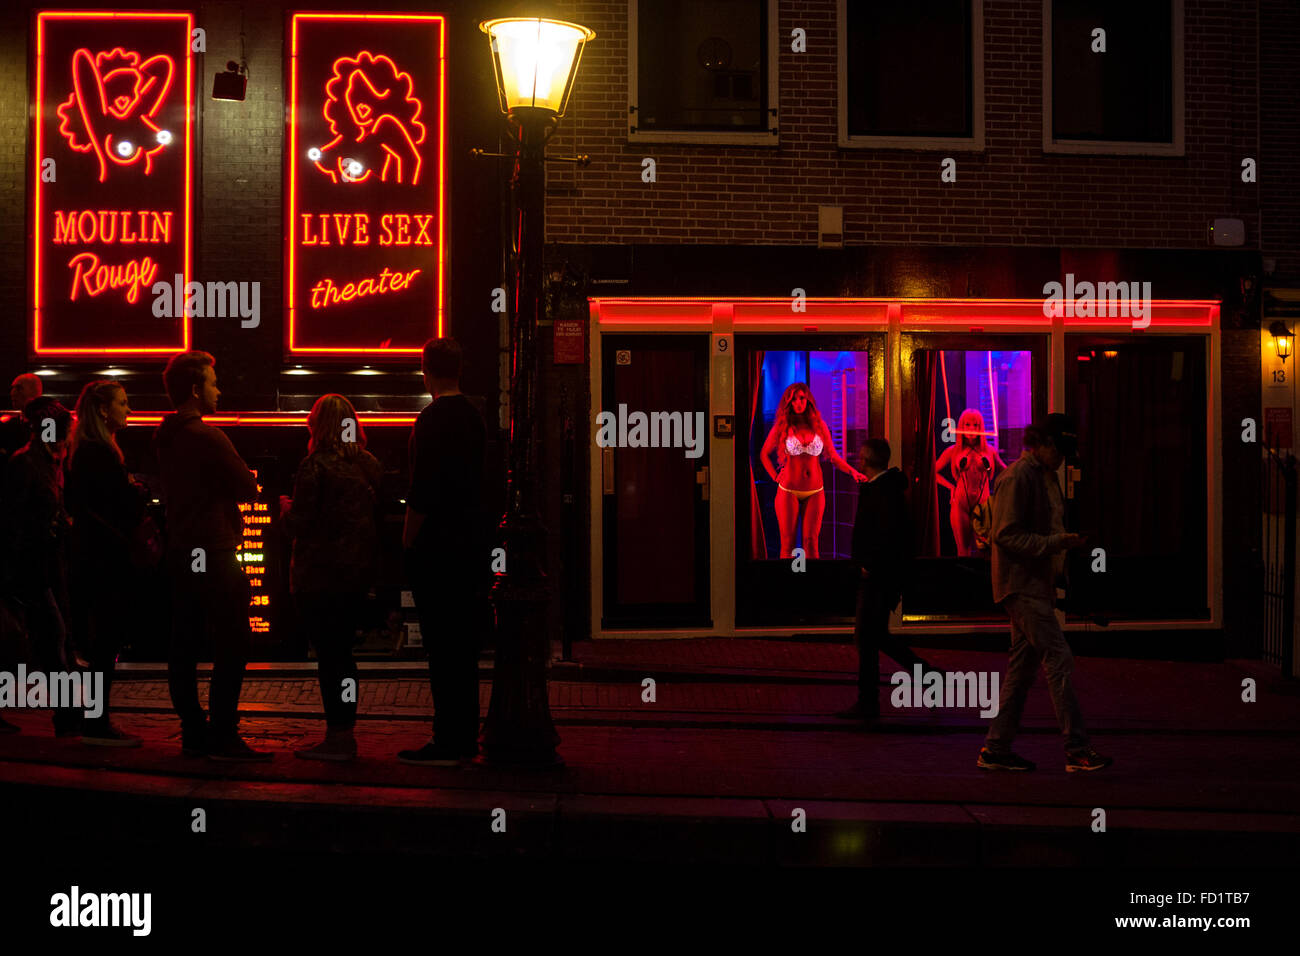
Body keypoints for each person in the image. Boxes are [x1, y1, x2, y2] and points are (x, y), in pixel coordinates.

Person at [977, 413, 1112, 773]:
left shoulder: (1045, 476)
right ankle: (1077, 748)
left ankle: (996, 748)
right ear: (1045, 444)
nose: (1063, 458)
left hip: (1032, 585)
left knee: (1021, 671)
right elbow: (1004, 534)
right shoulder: (1018, 477)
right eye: (1060, 450)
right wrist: (1058, 544)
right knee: (1059, 658)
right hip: (1021, 586)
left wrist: (1059, 570)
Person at [153, 351, 270, 762]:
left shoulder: (164, 435)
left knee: (183, 640)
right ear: (195, 389)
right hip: (216, 548)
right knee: (234, 640)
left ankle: (193, 728)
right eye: (213, 382)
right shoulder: (208, 436)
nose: (219, 390)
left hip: (182, 548)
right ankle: (223, 731)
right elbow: (247, 489)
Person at [397, 338, 489, 766]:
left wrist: (407, 541)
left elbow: (423, 493)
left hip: (437, 550)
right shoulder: (475, 418)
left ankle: (447, 737)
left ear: (426, 371)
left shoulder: (430, 421)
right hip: (470, 546)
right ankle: (465, 733)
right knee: (463, 647)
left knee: (441, 647)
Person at [280, 394, 383, 762]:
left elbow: (300, 525)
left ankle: (338, 736)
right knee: (345, 656)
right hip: (356, 576)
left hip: (319, 578)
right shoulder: (368, 465)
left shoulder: (315, 466)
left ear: (316, 425)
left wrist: (285, 511)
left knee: (329, 657)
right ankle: (347, 729)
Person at [63, 380, 145, 747]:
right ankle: (97, 722)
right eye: (123, 403)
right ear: (103, 410)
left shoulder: (83, 451)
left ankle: (88, 717)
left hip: (91, 555)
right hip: (106, 558)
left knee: (99, 641)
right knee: (105, 641)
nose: (129, 410)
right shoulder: (101, 454)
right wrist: (136, 492)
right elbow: (122, 507)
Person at [837, 439, 941, 721]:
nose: (858, 460)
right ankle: (925, 675)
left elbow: (885, 532)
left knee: (867, 637)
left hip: (877, 577)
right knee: (874, 636)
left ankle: (870, 701)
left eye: (861, 457)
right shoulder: (887, 489)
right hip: (882, 575)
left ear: (867, 461)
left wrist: (868, 566)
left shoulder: (881, 492)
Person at [0, 398, 79, 736]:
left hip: (42, 565)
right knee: (52, 636)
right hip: (30, 568)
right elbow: (13, 521)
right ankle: (68, 714)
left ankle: (68, 714)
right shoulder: (30, 465)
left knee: (51, 637)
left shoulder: (43, 463)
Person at [758, 382, 867, 558]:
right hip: (788, 490)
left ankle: (813, 584)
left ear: (808, 400)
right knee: (788, 543)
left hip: (815, 490)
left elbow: (833, 456)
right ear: (789, 403)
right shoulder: (782, 425)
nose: (798, 403)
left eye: (801, 398)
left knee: (811, 542)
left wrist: (852, 472)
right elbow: (763, 454)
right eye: (793, 400)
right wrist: (775, 476)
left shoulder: (819, 425)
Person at [934, 408, 1007, 557]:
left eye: (976, 425)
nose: (972, 429)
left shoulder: (990, 451)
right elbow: (932, 472)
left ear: (981, 427)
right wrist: (950, 487)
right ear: (961, 426)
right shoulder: (953, 451)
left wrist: (1000, 493)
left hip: (983, 505)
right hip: (960, 504)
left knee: (984, 551)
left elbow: (1007, 473)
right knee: (963, 551)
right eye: (967, 425)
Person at [0, 374, 43, 462]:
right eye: (12, 388)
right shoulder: (9, 425)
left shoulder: (48, 423)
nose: (13, 393)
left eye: (19, 388)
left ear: (34, 391)